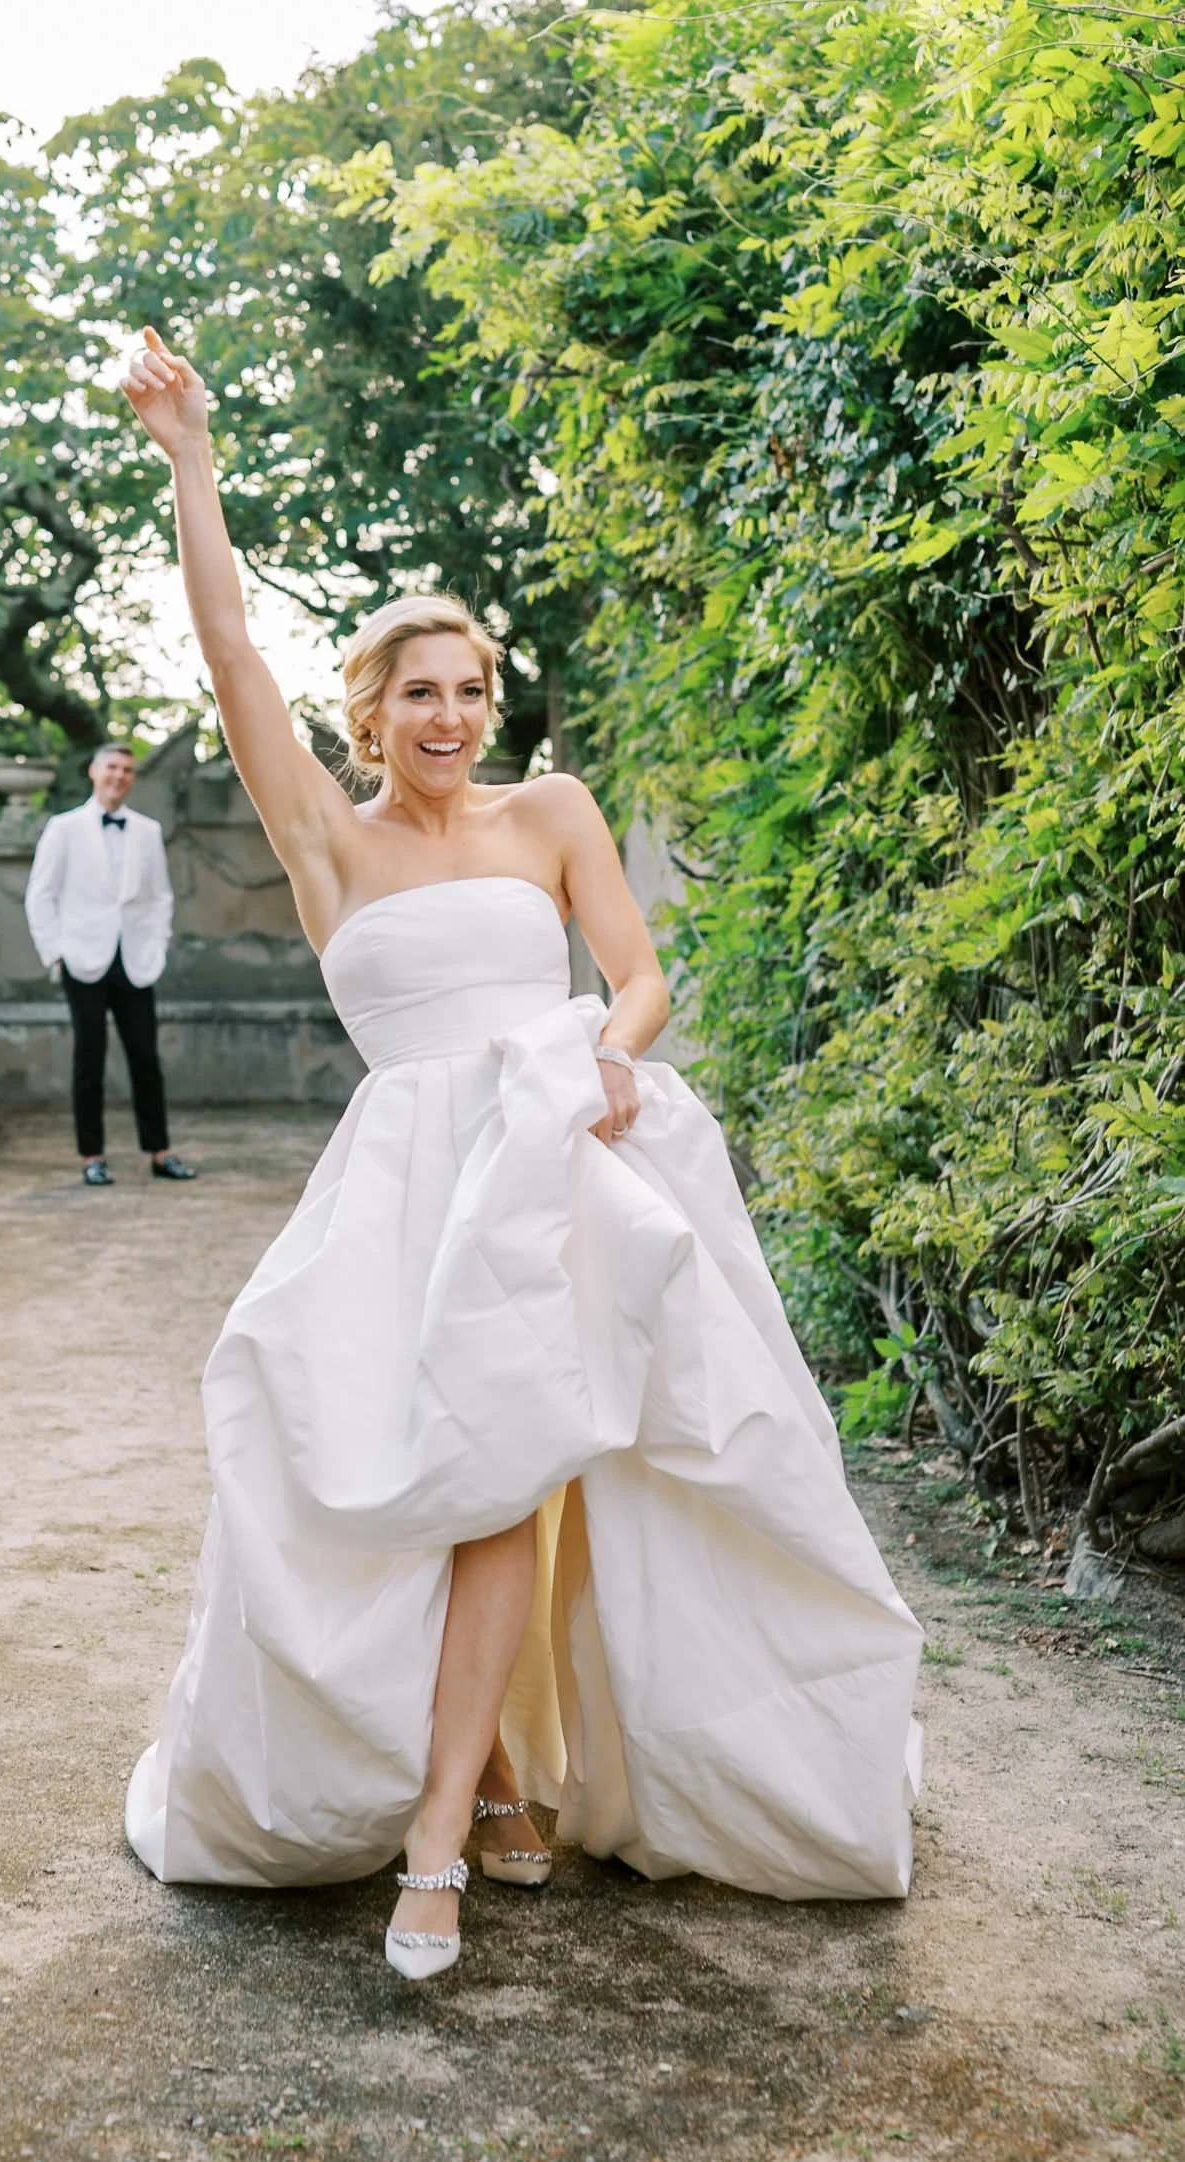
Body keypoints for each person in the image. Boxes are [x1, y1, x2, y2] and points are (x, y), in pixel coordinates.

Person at [119, 327, 923, 1982]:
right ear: (370, 711)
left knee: (504, 1464)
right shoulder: (326, 842)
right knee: (395, 1472)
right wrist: (193, 458)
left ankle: (439, 1839)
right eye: (419, 690)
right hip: (398, 1188)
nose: (450, 713)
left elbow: (640, 976)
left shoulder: (548, 811)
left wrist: (611, 1058)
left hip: (548, 1150)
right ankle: (484, 1769)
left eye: (470, 688)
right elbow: (228, 649)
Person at [23, 741, 197, 1186]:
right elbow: (40, 895)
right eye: (112, 767)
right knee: (89, 1058)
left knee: (145, 1058)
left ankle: (160, 1152)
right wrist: (56, 952)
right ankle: (92, 1157)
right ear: (93, 771)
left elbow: (160, 897)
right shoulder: (64, 828)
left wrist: (157, 945)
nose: (119, 776)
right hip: (82, 958)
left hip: (135, 959)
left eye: (127, 770)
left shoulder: (147, 831)